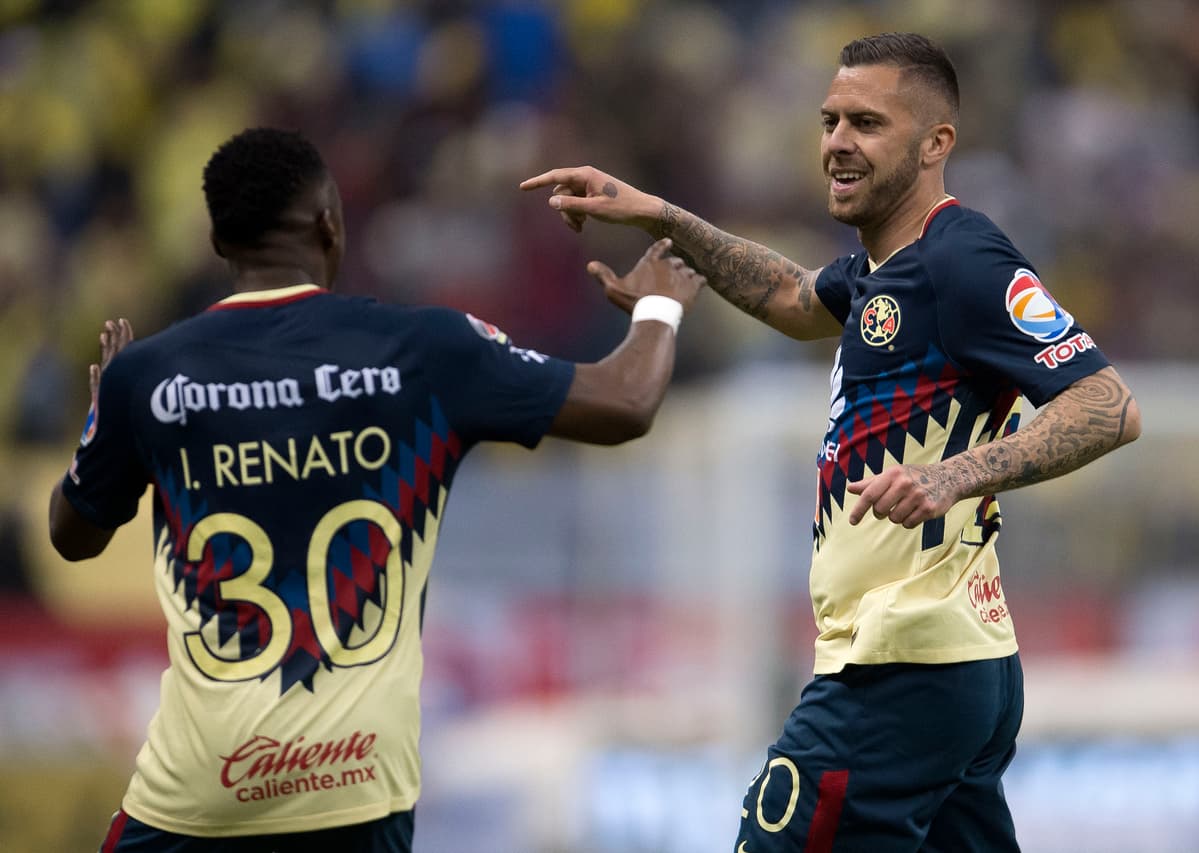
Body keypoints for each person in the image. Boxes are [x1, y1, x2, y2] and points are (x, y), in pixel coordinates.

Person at [521, 31, 1141, 853]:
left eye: (867, 124)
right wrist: (660, 214)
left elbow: (1108, 402)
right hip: (953, 667)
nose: (838, 143)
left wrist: (956, 473)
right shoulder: (878, 270)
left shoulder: (965, 257)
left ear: (935, 144)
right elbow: (788, 293)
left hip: (903, 665)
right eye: (829, 121)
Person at [48, 127, 704, 852]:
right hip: (354, 792)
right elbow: (625, 403)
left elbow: (73, 534)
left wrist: (103, 415)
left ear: (218, 243)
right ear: (330, 223)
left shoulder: (148, 375)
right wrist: (658, 306)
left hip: (198, 795)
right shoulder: (424, 350)